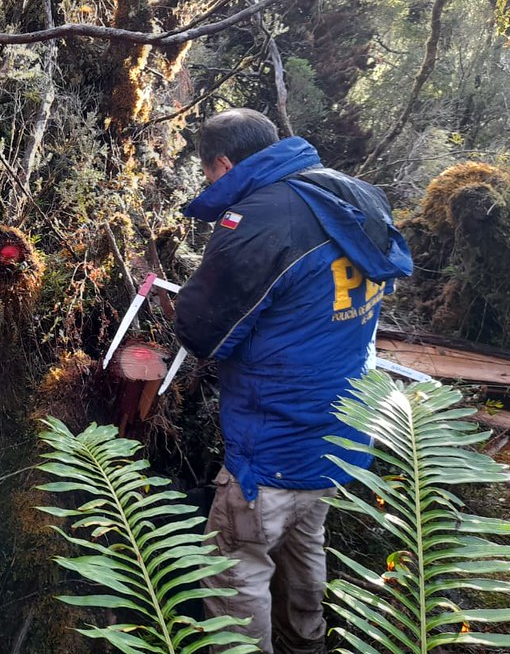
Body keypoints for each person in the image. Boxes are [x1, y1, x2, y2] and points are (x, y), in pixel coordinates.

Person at [173, 109, 412, 654]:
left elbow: (204, 333)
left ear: (224, 163)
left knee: (235, 570)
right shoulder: (356, 196)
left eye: (210, 174)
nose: (213, 185)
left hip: (271, 438)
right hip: (341, 425)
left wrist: (182, 305)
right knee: (306, 545)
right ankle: (307, 645)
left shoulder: (261, 218)